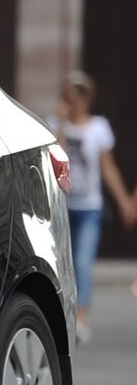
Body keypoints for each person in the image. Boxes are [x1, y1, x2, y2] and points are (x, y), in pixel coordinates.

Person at [51, 71, 135, 342]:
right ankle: (62, 315)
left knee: (82, 262)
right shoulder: (54, 123)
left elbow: (107, 167)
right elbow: (57, 159)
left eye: (80, 94)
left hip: (90, 206)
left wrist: (124, 202)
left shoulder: (99, 127)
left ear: (88, 98)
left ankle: (81, 316)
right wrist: (61, 125)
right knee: (61, 263)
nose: (75, 99)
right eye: (70, 94)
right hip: (62, 205)